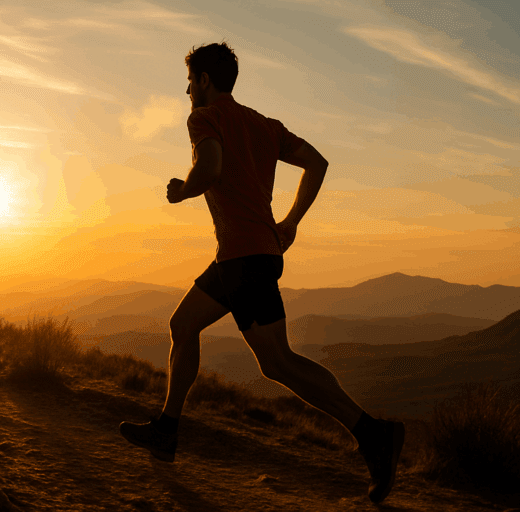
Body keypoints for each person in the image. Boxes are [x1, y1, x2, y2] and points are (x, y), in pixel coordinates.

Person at [120, 41, 404, 504]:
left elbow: (209, 167)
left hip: (246, 258)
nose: (187, 90)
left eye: (190, 81)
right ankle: (167, 430)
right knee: (183, 324)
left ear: (204, 81)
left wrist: (183, 191)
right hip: (243, 254)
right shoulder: (264, 125)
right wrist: (291, 222)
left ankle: (373, 433)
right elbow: (317, 162)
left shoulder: (204, 118)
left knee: (277, 362)